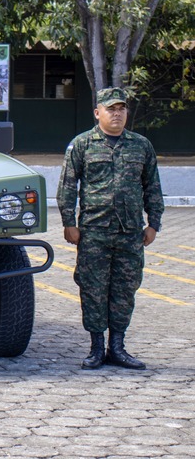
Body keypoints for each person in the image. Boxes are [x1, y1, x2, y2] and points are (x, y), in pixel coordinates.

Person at [57, 87, 164, 370]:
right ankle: (95, 348)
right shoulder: (82, 144)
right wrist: (69, 223)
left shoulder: (141, 146)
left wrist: (154, 223)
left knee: (125, 289)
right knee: (92, 289)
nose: (117, 114)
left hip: (130, 232)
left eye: (121, 109)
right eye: (110, 109)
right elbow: (68, 186)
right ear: (97, 113)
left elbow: (152, 186)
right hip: (94, 232)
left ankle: (117, 347)